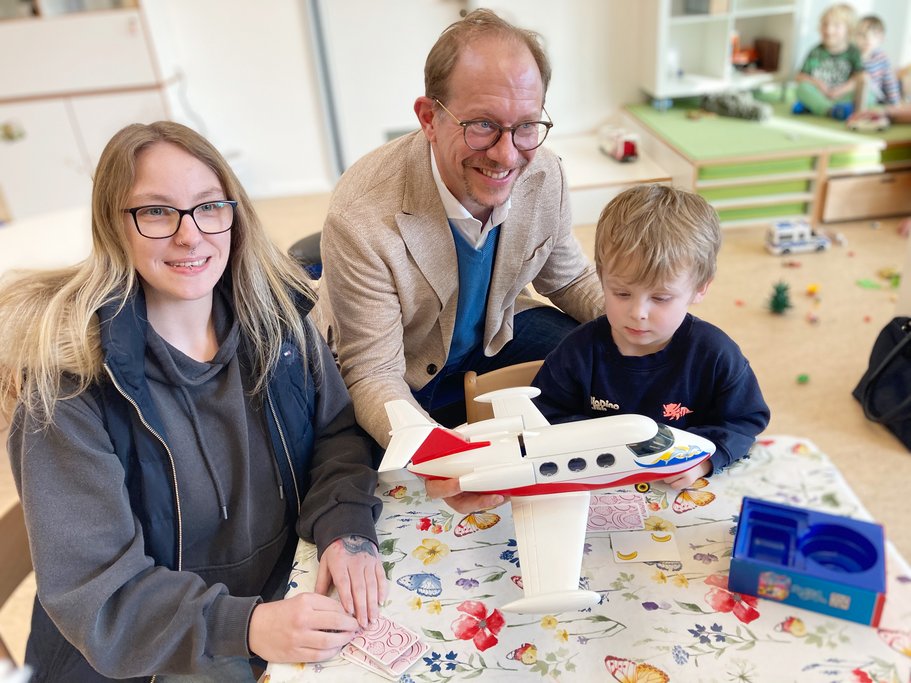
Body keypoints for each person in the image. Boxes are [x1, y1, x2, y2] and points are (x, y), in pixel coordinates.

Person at [0, 121, 386, 682]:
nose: (191, 236)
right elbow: (100, 594)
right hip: (140, 657)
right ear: (114, 225)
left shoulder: (278, 325)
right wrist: (249, 627)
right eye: (156, 212)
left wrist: (346, 525)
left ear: (235, 213)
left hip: (279, 603)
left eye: (208, 206)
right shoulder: (67, 388)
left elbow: (336, 436)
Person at [317, 9, 603, 461]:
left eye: (526, 125)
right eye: (482, 125)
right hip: (399, 366)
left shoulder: (545, 172)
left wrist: (665, 330)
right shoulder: (360, 217)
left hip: (490, 333)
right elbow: (374, 373)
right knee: (364, 473)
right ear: (429, 118)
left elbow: (567, 280)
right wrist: (449, 457)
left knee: (603, 358)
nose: (507, 155)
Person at [531, 184, 771, 489]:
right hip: (600, 486)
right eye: (621, 293)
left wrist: (707, 458)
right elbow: (542, 418)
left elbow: (744, 421)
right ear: (601, 278)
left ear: (701, 288)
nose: (638, 312)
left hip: (679, 491)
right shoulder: (578, 352)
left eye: (660, 298)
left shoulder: (715, 354)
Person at [793, 3, 867, 120]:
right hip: (820, 94)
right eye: (825, 24)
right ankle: (830, 110)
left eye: (836, 26)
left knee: (868, 93)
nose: (829, 30)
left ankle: (814, 108)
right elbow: (800, 76)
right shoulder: (816, 51)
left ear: (849, 29)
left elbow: (859, 78)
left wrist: (841, 90)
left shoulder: (853, 52)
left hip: (842, 95)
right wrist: (818, 84)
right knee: (802, 89)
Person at [855, 15, 901, 107]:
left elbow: (890, 82)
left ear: (881, 38)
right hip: (852, 94)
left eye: (874, 35)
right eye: (862, 35)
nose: (868, 39)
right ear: (855, 36)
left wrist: (895, 103)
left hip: (873, 97)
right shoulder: (852, 55)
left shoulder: (881, 58)